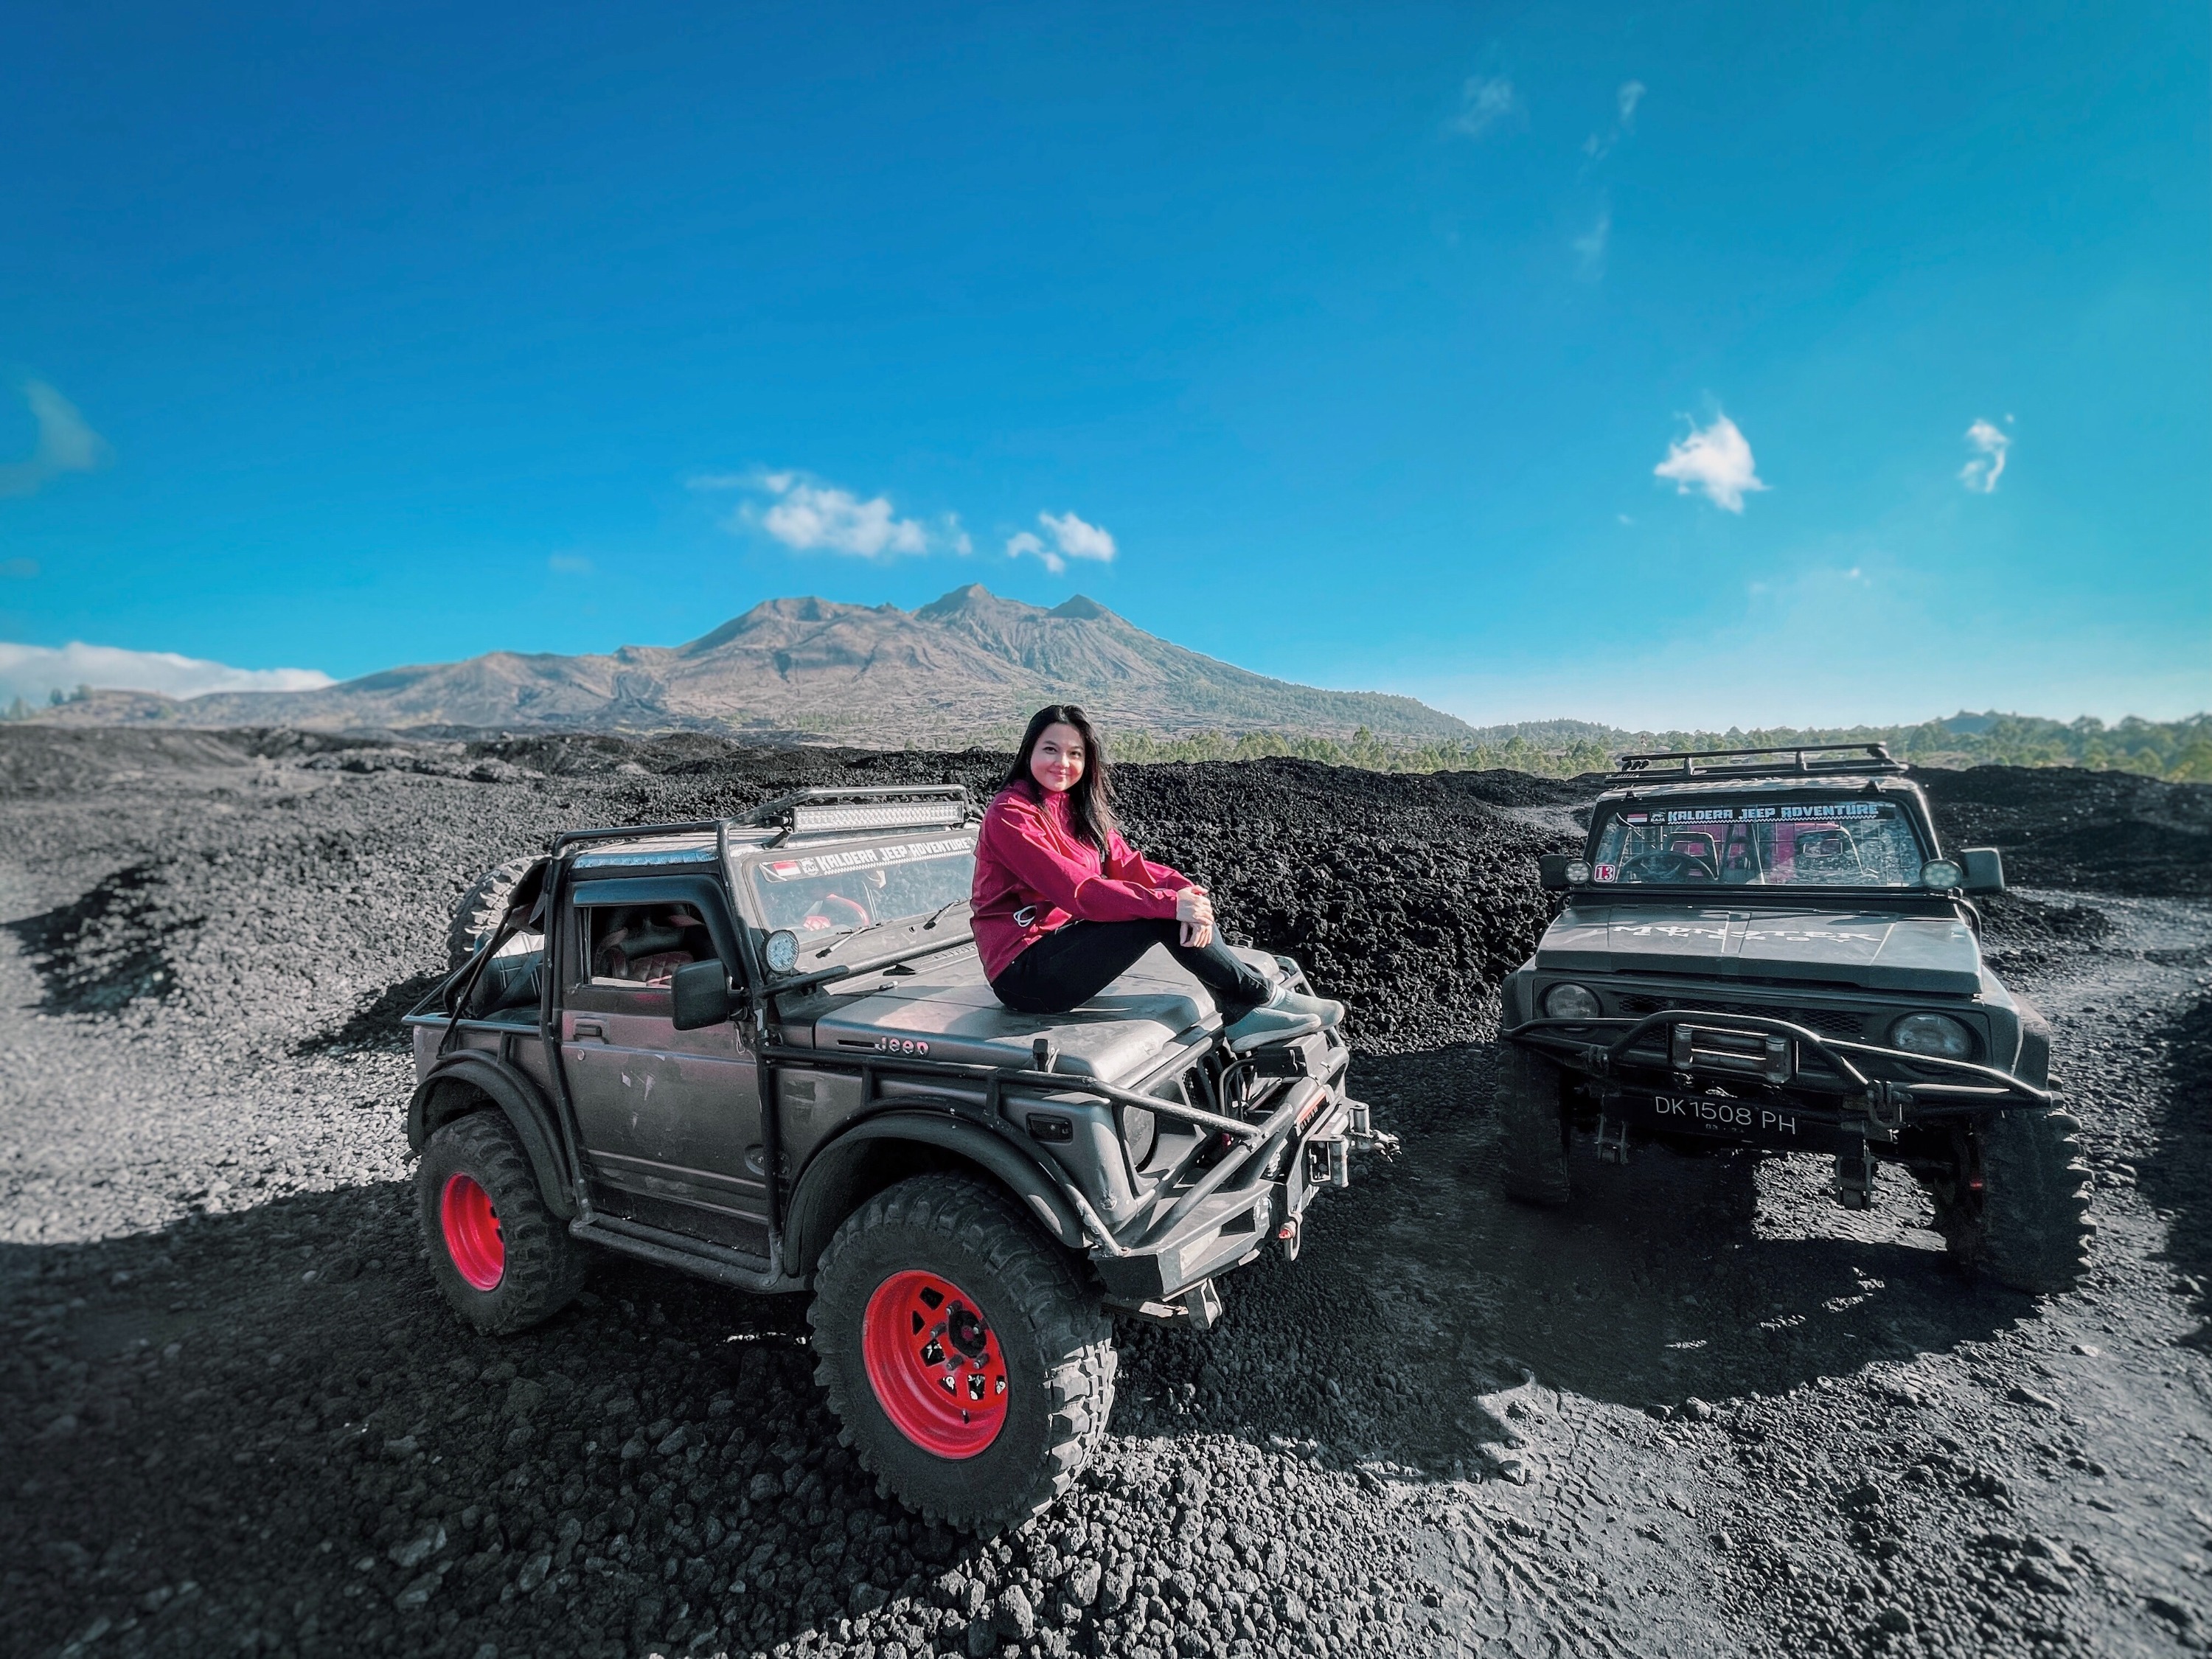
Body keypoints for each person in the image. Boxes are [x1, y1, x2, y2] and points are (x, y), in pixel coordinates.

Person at [971, 705, 1343, 1046]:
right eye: (1050, 750)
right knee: (1158, 915)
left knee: (1177, 908)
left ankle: (1241, 1016)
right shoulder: (1010, 814)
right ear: (1029, 752)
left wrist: (1186, 892)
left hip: (1062, 947)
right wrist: (1169, 904)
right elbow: (1077, 891)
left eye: (1075, 754)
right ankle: (1261, 996)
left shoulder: (1077, 808)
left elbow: (1131, 866)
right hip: (1023, 972)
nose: (1062, 763)